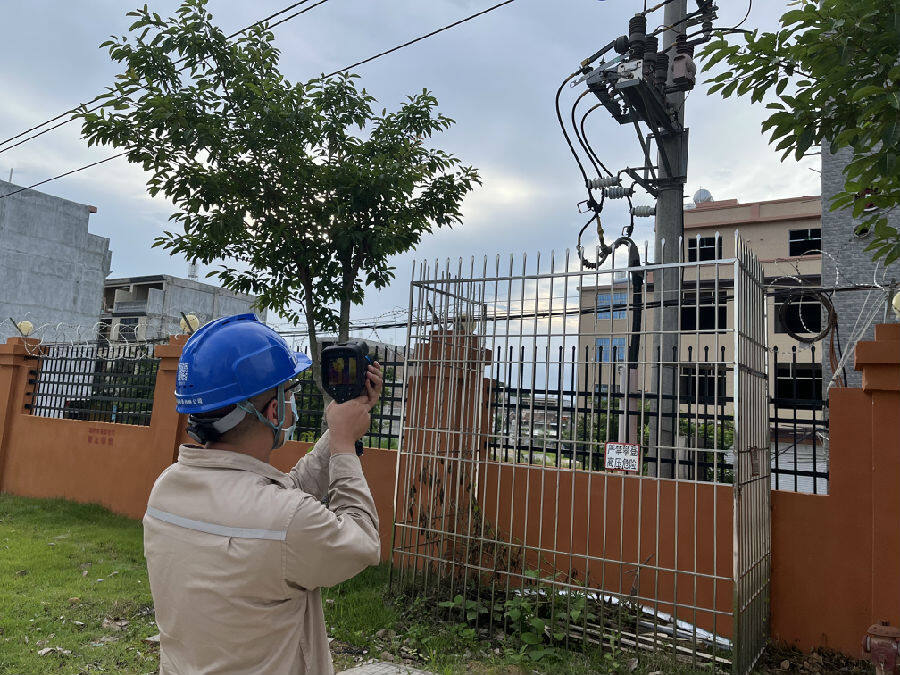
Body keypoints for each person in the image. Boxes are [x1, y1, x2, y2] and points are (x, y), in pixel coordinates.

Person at [143, 313, 382, 674]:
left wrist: (339, 431)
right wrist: (345, 446)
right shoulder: (283, 520)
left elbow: (275, 501)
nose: (292, 402)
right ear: (274, 410)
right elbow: (362, 542)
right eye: (290, 393)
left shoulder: (166, 489)